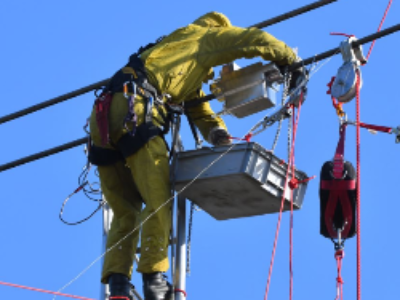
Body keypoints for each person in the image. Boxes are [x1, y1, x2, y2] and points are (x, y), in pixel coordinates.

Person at [89, 11, 299, 300]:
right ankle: (154, 279)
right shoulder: (205, 37)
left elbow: (196, 106)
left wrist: (218, 135)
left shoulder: (176, 54)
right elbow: (252, 40)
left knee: (125, 210)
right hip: (133, 112)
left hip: (104, 121)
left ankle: (119, 286)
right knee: (158, 198)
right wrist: (289, 60)